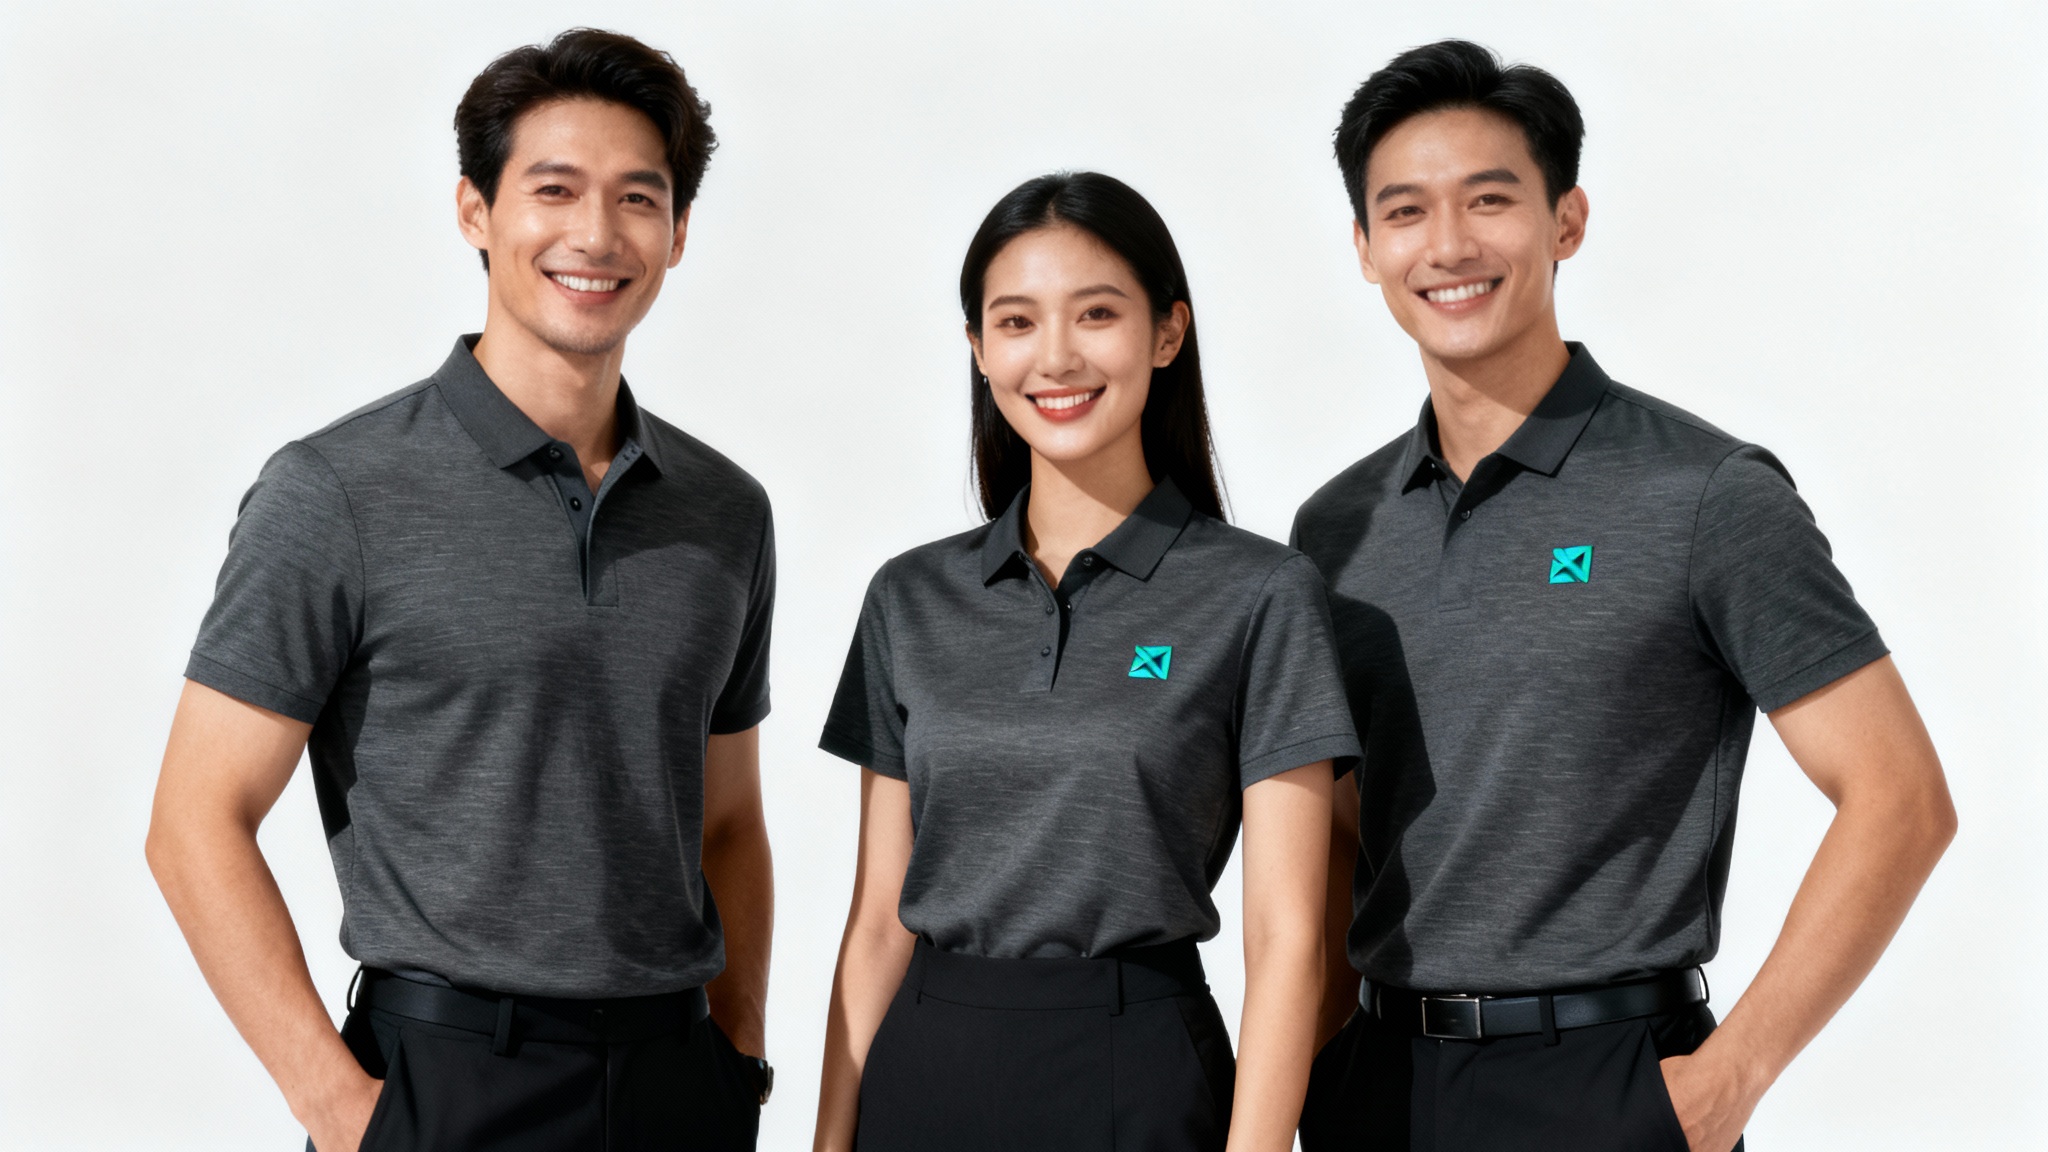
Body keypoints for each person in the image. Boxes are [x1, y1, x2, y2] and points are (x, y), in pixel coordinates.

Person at [1291, 40, 1955, 1152]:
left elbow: (1898, 798)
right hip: (1379, 1089)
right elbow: (1333, 840)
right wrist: (1314, 1081)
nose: (1447, 246)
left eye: (1488, 200)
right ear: (1363, 248)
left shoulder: (1703, 495)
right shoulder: (1335, 529)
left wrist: (1723, 1085)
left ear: (1566, 221)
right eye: (1403, 212)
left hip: (1608, 1086)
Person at [145, 29, 775, 1152]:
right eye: (553, 190)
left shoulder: (723, 511)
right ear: (475, 212)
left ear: (678, 233)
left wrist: (737, 1056)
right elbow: (196, 822)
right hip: (444, 1086)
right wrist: (343, 1114)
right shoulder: (336, 492)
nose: (594, 233)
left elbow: (727, 821)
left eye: (638, 197)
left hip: (676, 1087)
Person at [811, 172, 1361, 1152]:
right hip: (921, 1077)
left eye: (1096, 314)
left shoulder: (1260, 595)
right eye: (1015, 322)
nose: (1055, 356)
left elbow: (1289, 944)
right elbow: (876, 924)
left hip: (1136, 1077)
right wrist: (827, 1141)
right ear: (978, 350)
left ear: (1165, 332)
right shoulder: (908, 597)